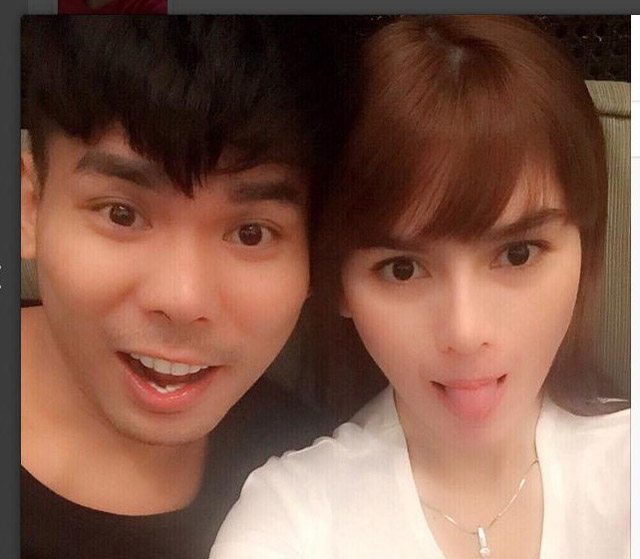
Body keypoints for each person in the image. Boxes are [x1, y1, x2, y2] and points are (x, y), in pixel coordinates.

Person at [211, 15, 630, 559]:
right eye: (403, 269)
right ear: (336, 283)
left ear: (586, 249)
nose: (465, 332)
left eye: (517, 254)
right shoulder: (292, 521)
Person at [21, 16, 342, 559]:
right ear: (28, 207)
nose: (182, 299)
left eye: (251, 233)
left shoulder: (325, 481)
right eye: (121, 214)